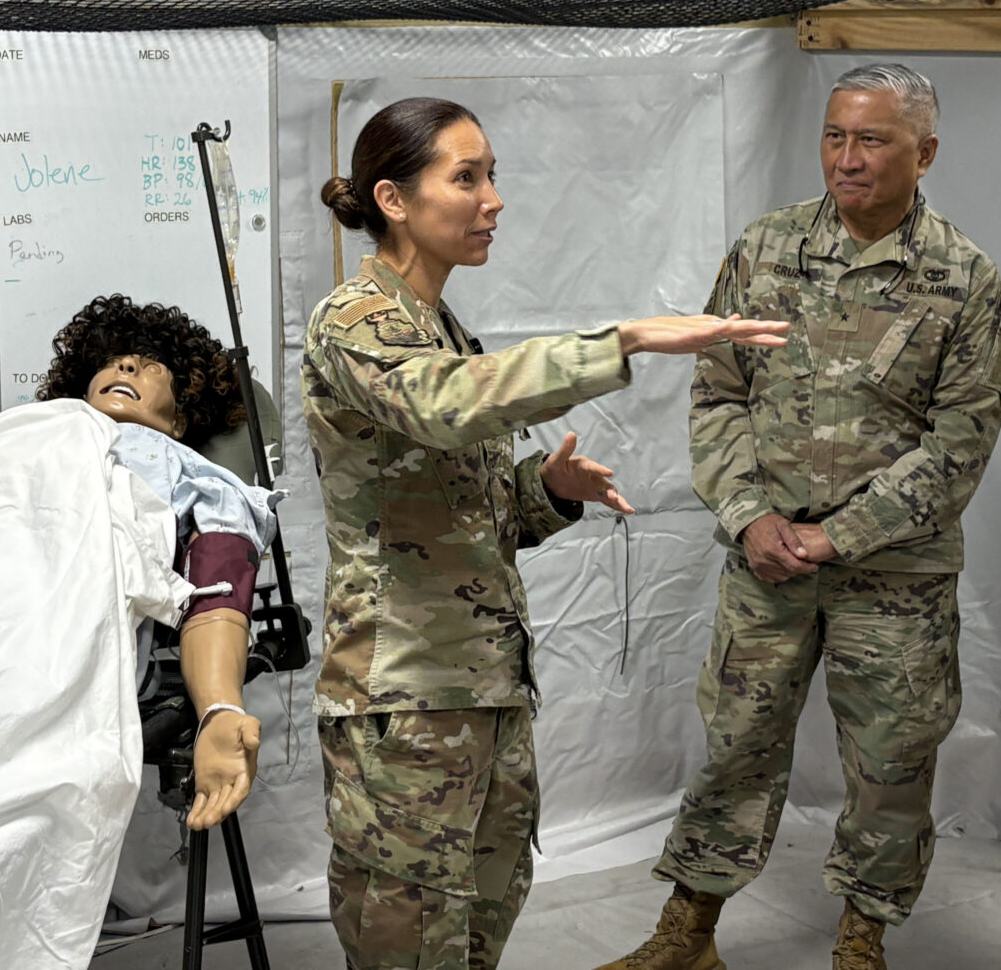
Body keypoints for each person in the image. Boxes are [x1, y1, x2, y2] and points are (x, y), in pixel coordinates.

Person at [303, 96, 788, 970]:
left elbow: (454, 513)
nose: (493, 199)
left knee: (476, 932)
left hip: (481, 696)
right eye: (467, 177)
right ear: (394, 198)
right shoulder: (355, 322)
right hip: (405, 702)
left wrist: (545, 491)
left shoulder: (444, 329)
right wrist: (628, 338)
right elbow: (447, 407)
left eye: (492, 176)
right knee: (409, 943)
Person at [592, 63, 1001, 970]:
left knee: (892, 767)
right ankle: (689, 933)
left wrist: (841, 536)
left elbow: (960, 443)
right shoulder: (765, 250)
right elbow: (715, 396)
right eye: (835, 136)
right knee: (734, 746)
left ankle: (861, 940)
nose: (848, 158)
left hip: (893, 579)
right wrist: (750, 517)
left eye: (873, 140)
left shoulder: (965, 280)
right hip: (767, 562)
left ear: (925, 152)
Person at [0, 295, 271, 829]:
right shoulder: (12, 432)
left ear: (181, 416)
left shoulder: (193, 474)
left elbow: (217, 589)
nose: (124, 366)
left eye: (149, 364)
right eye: (113, 360)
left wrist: (219, 709)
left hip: (52, 622)